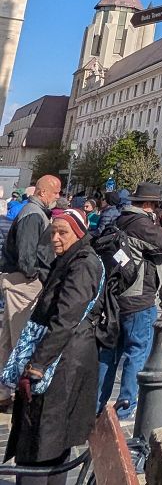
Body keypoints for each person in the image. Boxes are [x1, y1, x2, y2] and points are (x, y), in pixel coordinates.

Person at [1, 207, 104, 482]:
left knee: (44, 439)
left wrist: (37, 365)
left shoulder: (83, 265)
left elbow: (66, 319)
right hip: (61, 358)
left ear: (78, 233)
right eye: (53, 232)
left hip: (64, 362)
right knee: (50, 440)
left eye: (63, 233)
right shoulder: (70, 258)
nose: (55, 238)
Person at [96, 181, 162, 422]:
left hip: (115, 297)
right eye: (158, 205)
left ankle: (97, 403)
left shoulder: (121, 219)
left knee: (110, 354)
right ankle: (126, 406)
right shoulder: (142, 224)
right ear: (149, 204)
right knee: (136, 352)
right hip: (138, 299)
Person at [0, 175, 60, 356]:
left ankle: (4, 372)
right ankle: (15, 373)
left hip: (21, 279)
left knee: (9, 339)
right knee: (21, 339)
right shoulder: (33, 214)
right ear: (43, 192)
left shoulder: (34, 212)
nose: (58, 196)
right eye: (55, 192)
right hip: (23, 282)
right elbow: (26, 254)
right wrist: (34, 275)